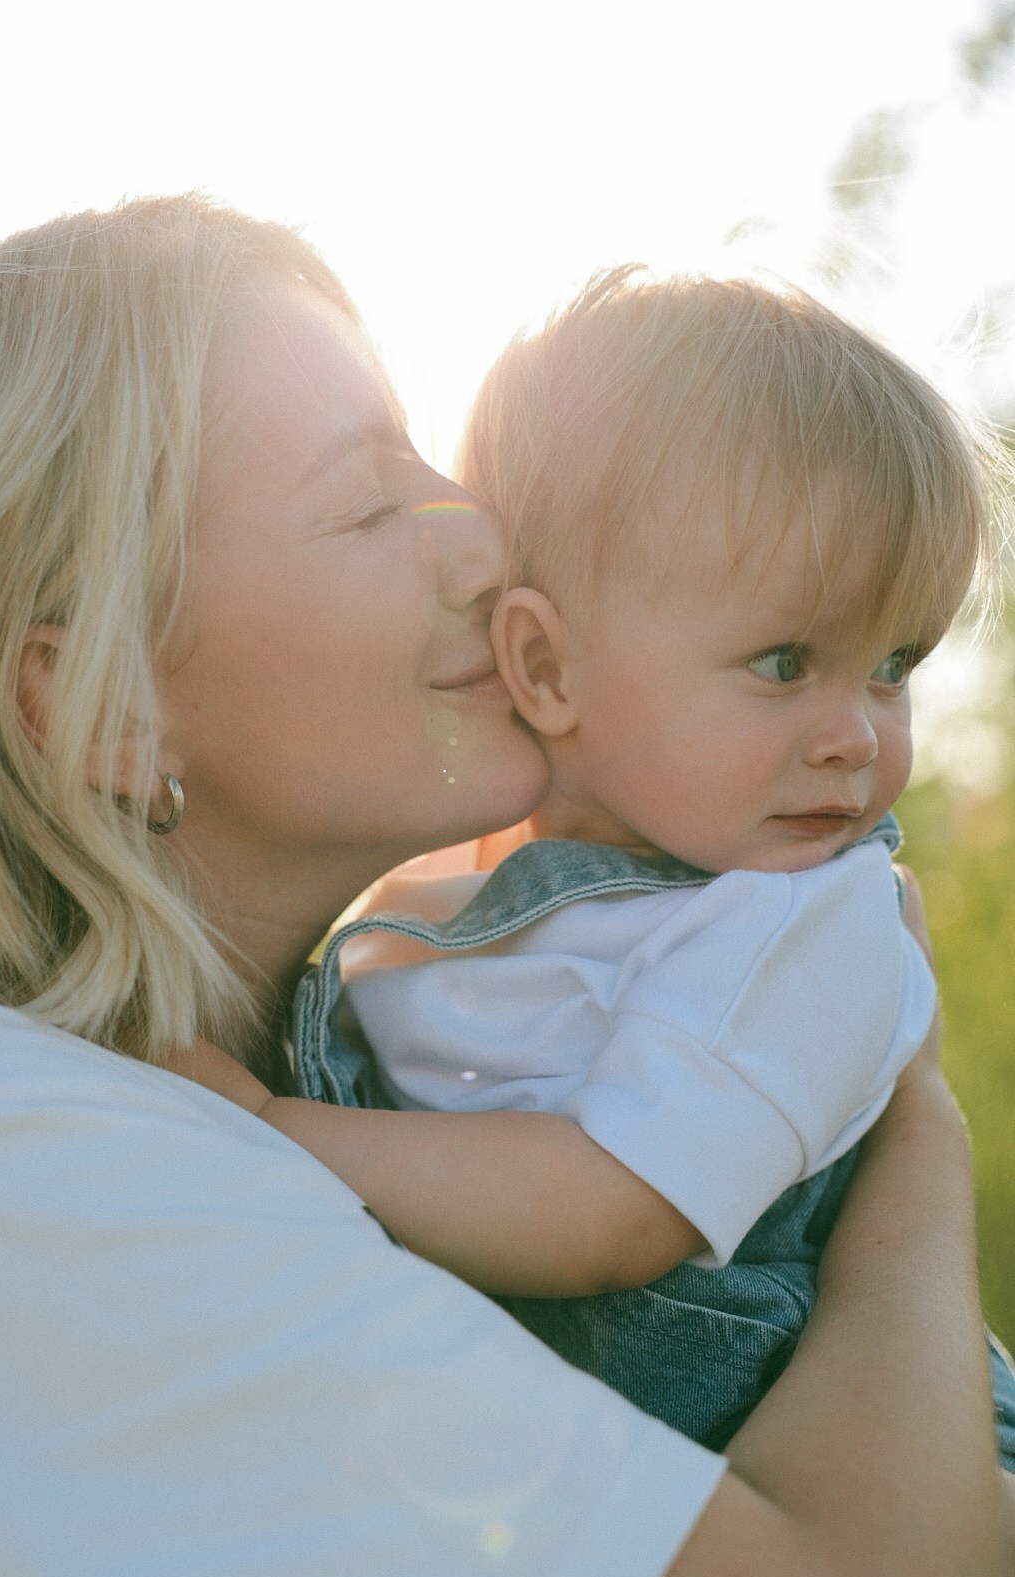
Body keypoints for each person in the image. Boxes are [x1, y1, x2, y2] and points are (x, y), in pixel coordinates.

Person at [0, 196, 1003, 1577]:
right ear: (107, 703)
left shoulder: (359, 1022)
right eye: (370, 503)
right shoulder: (5, 1149)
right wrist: (915, 1129)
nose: (490, 546)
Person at [185, 270, 1015, 1463]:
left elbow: (608, 1214)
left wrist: (269, 1127)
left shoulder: (799, 923)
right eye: (785, 662)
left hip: (856, 1466)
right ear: (546, 667)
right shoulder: (455, 890)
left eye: (894, 665)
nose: (857, 734)